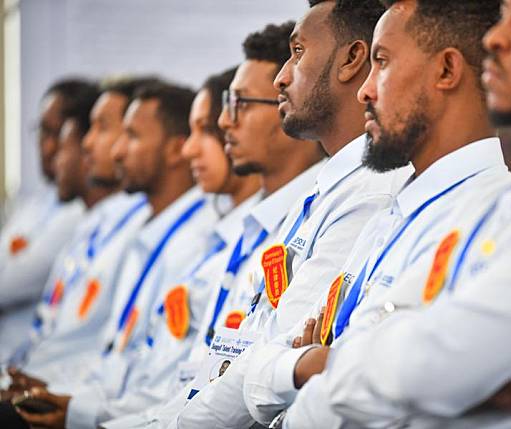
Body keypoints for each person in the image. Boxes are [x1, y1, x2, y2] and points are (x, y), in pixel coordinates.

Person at [310, 0, 511, 427]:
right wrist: (456, 383)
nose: (493, 39)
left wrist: (340, 367)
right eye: (501, 16)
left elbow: (431, 364)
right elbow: (422, 359)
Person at [244, 0, 511, 427]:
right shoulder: (397, 209)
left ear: (446, 71)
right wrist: (313, 365)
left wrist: (307, 367)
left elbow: (384, 394)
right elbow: (257, 383)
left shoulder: (489, 209)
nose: (364, 91)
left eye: (382, 63)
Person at [172, 2, 412, 427]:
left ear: (352, 60)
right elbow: (259, 352)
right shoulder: (329, 186)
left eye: (298, 52)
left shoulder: (370, 189)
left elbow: (277, 354)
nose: (283, 76)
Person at [98, 22, 326, 429]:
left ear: (286, 106)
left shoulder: (314, 214)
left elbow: (258, 376)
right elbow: (192, 378)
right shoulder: (251, 228)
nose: (225, 123)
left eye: (238, 104)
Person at [11, 81, 220, 429]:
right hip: (103, 402)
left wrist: (73, 406)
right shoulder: (140, 227)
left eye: (132, 136)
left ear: (174, 149)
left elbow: (158, 379)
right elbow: (113, 352)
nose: (115, 150)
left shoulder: (198, 238)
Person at [7, 78, 158, 383]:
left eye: (102, 128)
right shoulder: (92, 221)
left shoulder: (138, 227)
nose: (88, 143)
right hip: (45, 374)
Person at [0, 80, 94, 361]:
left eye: (58, 135)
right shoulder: (37, 202)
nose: (49, 147)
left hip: (25, 364)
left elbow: (6, 282)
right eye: (43, 131)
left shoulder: (78, 215)